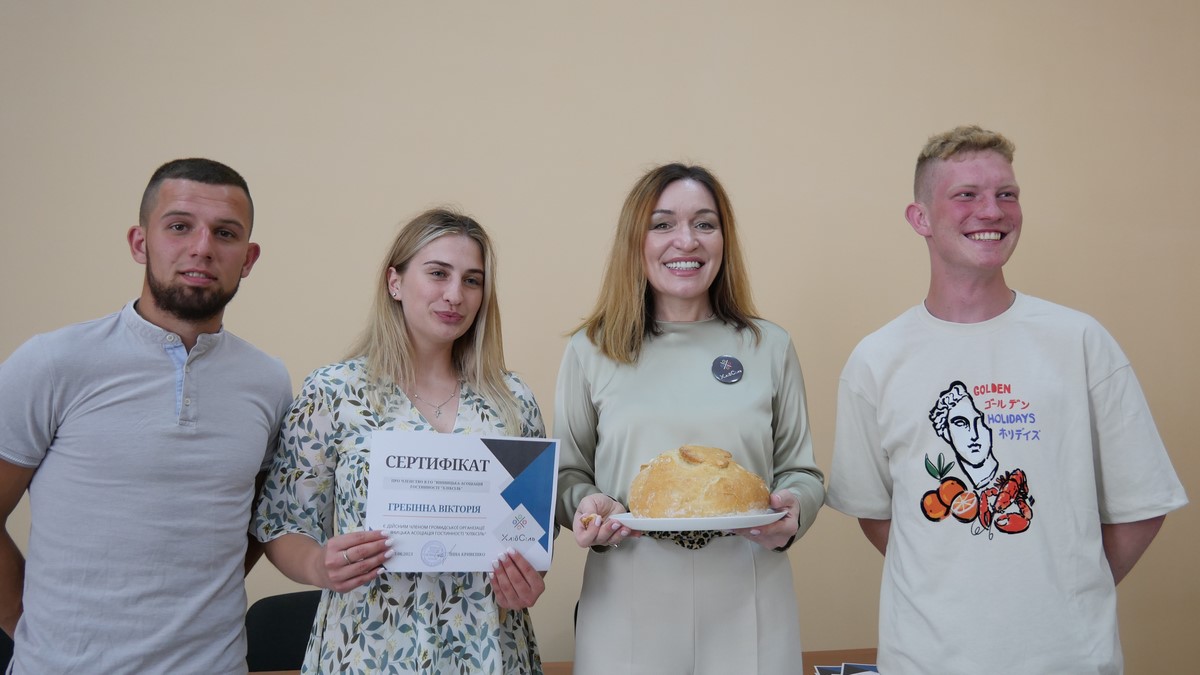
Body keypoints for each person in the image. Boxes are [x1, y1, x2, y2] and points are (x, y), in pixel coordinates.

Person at [826, 125, 1188, 674]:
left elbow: (1142, 502)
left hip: (1068, 660)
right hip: (925, 661)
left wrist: (1066, 592)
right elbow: (876, 514)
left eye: (1007, 194)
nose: (992, 211)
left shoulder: (1080, 341)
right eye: (966, 194)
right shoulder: (875, 360)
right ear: (920, 218)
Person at [0, 158, 292, 673]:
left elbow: (254, 520)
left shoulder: (268, 381)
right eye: (179, 226)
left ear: (248, 258)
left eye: (225, 233)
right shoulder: (51, 363)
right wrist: (26, 626)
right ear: (140, 243)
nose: (202, 247)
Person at [556, 163, 825, 674]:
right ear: (635, 241)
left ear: (724, 240)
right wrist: (586, 507)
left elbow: (802, 471)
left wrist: (795, 508)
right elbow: (568, 474)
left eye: (705, 223)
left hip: (749, 595)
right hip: (626, 596)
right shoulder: (591, 350)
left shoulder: (769, 346)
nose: (687, 241)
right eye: (662, 224)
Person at [253, 208, 548, 674]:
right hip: (366, 651)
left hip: (488, 649)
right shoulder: (333, 393)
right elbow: (282, 522)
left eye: (472, 280)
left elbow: (530, 538)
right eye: (438, 273)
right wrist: (318, 565)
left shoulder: (513, 402)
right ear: (395, 282)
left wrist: (527, 581)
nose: (455, 295)